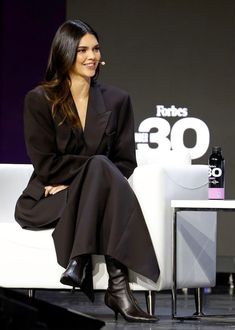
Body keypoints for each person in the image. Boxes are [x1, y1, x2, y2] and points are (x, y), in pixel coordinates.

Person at [15, 19, 160, 322]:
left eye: (95, 49)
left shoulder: (117, 100)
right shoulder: (40, 100)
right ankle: (117, 290)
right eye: (82, 50)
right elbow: (46, 165)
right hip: (47, 201)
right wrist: (87, 177)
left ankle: (80, 262)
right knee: (98, 166)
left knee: (101, 168)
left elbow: (125, 162)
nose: (92, 56)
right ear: (65, 53)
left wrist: (81, 180)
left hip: (77, 195)